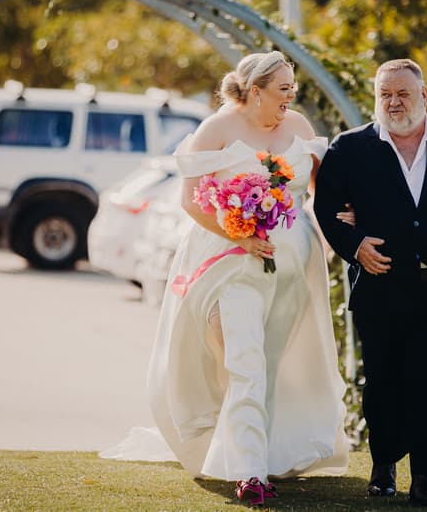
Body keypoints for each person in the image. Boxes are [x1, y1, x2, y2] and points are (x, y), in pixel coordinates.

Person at [104, 51, 349, 506]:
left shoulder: (298, 128)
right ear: (256, 91)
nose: (291, 96)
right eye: (283, 89)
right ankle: (251, 474)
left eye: (293, 88)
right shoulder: (216, 129)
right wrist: (240, 232)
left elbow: (319, 192)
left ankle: (258, 452)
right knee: (245, 362)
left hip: (293, 268)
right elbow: (191, 202)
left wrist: (340, 224)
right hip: (230, 261)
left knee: (268, 365)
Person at [314, 58, 427, 508]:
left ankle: (425, 478)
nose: (394, 102)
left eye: (402, 93)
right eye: (385, 95)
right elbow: (327, 210)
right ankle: (383, 468)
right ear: (376, 98)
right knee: (382, 381)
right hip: (380, 286)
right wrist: (356, 245)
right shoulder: (349, 148)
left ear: (424, 96)